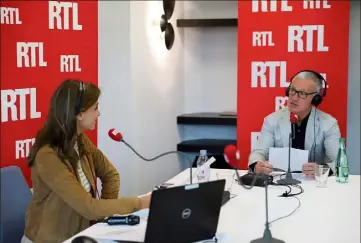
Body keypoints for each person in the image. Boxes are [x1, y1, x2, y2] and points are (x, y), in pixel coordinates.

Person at [21, 80, 152, 243]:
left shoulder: (80, 140)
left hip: (81, 235)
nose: (99, 114)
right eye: (95, 108)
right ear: (79, 114)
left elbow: (110, 175)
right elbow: (89, 207)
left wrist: (103, 216)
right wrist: (139, 203)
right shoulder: (47, 156)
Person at [248, 70, 340, 178]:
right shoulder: (272, 120)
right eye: (292, 90)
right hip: (280, 184)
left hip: (314, 185)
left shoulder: (329, 124)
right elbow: (258, 153)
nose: (294, 97)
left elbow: (338, 163)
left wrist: (321, 170)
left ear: (315, 99)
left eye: (302, 94)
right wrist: (256, 165)